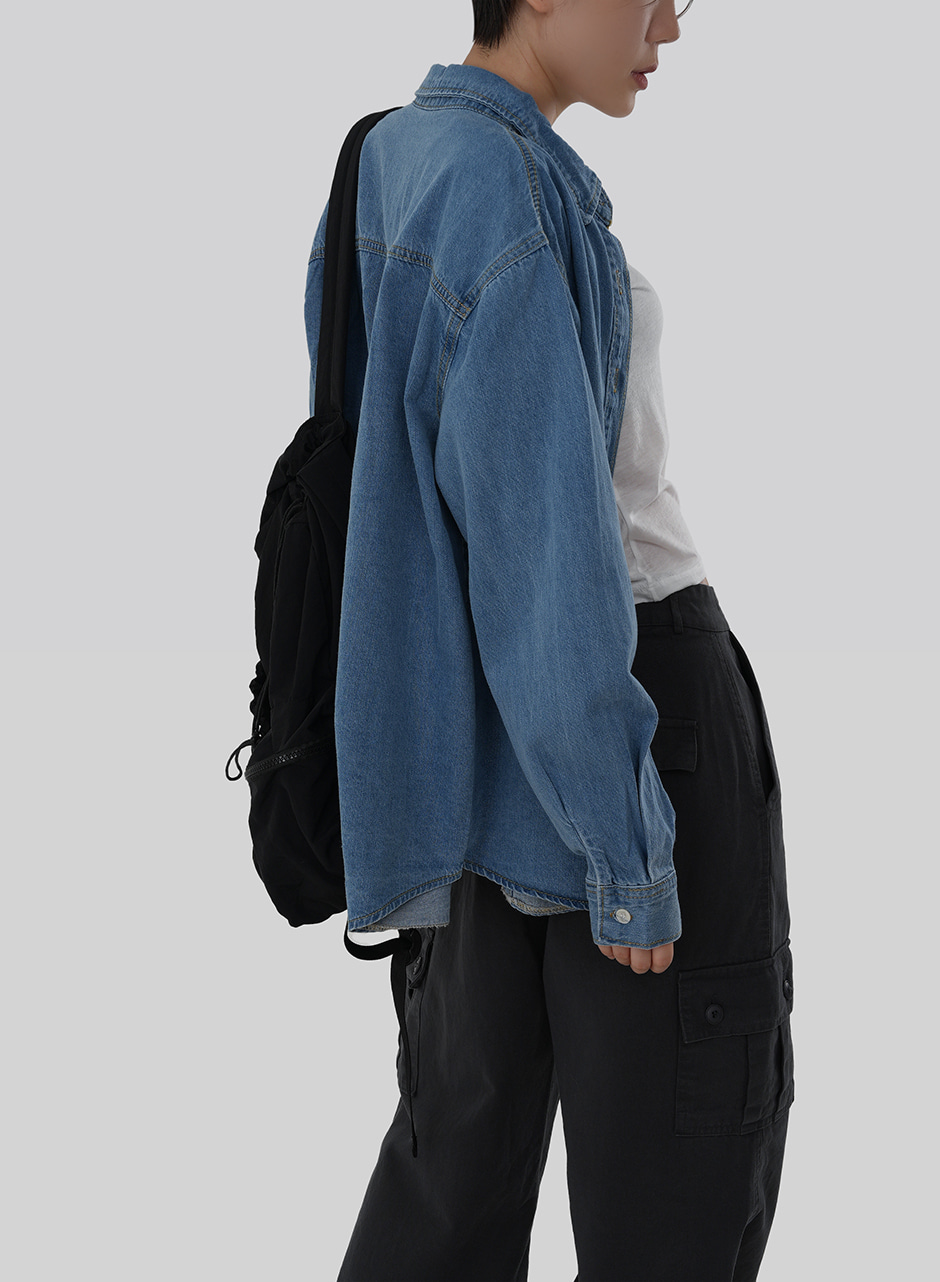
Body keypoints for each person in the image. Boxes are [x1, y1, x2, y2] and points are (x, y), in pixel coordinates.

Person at [308, 2, 795, 1278]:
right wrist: (628, 848)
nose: (671, 23)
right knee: (676, 1201)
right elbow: (544, 548)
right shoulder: (511, 191)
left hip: (475, 743)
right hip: (623, 722)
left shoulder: (387, 155)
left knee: (449, 1186)